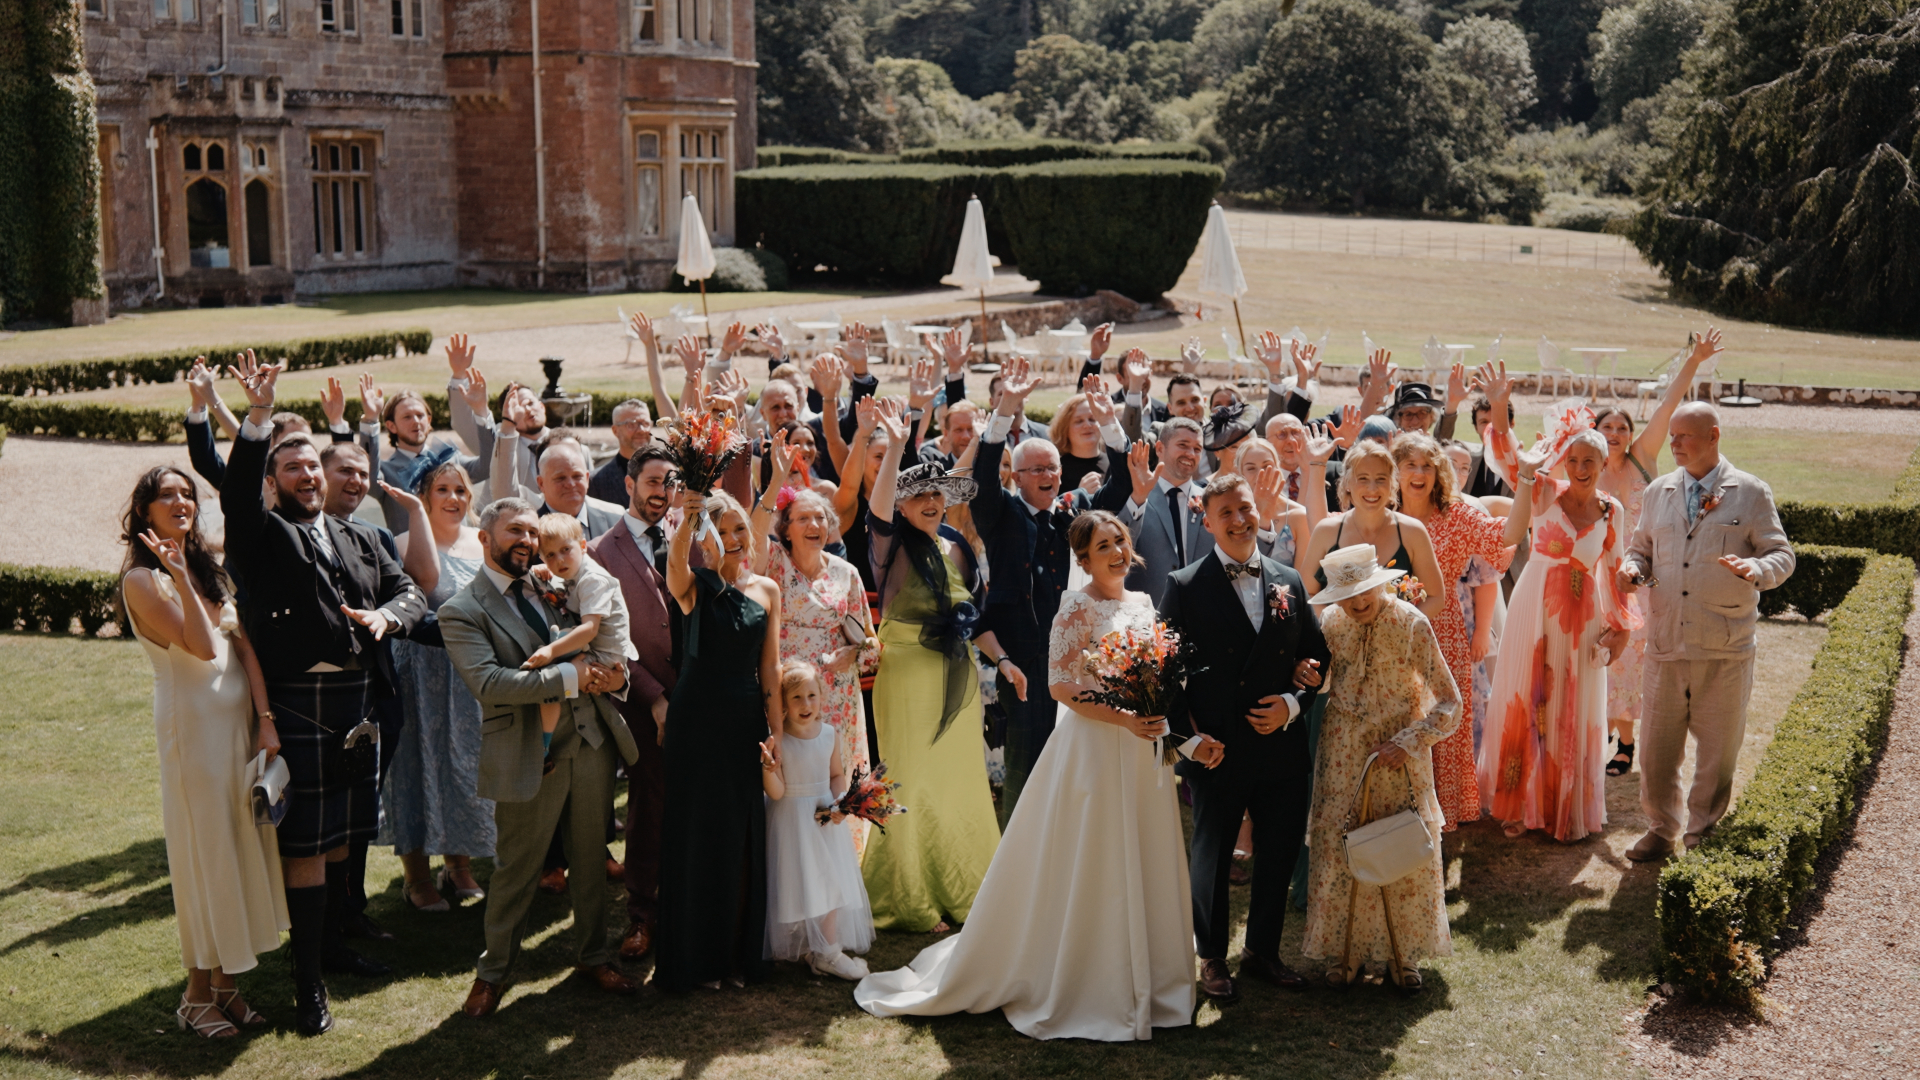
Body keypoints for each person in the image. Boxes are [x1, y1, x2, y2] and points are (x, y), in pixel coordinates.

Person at [857, 512, 1198, 1041]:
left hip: (1141, 750)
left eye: (1120, 542)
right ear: (1082, 559)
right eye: (1102, 546)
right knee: (1096, 854)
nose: (1116, 552)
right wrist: (1124, 719)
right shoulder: (1076, 606)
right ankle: (1091, 975)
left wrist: (1156, 719)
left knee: (1145, 851)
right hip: (1095, 749)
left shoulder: (1145, 604)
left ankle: (1152, 978)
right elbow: (1061, 686)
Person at [217, 354, 428, 1036]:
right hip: (299, 702)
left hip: (358, 704)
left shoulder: (361, 534)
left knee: (342, 841)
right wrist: (255, 421)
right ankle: (308, 988)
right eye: (293, 468)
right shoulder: (263, 536)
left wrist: (387, 618)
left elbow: (411, 592)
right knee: (305, 847)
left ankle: (333, 946)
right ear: (274, 484)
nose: (308, 475)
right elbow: (236, 498)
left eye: (315, 466)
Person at [437, 498, 638, 1016]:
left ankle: (594, 957)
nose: (527, 539)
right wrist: (571, 677)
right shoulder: (462, 609)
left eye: (532, 530)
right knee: (517, 869)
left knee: (591, 859)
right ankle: (493, 974)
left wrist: (618, 677)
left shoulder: (559, 582)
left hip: (591, 740)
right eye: (515, 531)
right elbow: (490, 683)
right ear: (485, 537)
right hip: (531, 751)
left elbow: (604, 639)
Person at [120, 467, 287, 1038]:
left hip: (239, 727)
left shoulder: (208, 566)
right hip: (191, 733)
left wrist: (264, 720)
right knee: (204, 854)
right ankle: (194, 995)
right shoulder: (144, 581)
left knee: (237, 849)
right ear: (145, 511)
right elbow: (197, 644)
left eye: (187, 493)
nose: (180, 501)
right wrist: (178, 577)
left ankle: (226, 986)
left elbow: (242, 650)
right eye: (165, 495)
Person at [1159, 474, 1330, 1003]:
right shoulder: (1184, 585)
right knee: (1211, 857)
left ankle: (1262, 951)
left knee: (1277, 853)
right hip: (1219, 751)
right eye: (1226, 513)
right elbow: (1163, 673)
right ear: (1206, 521)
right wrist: (1188, 741)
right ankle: (1211, 955)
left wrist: (1294, 703)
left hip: (1279, 746)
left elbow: (1318, 656)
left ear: (1260, 511)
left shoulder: (1288, 580)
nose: (1239, 520)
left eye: (1246, 509)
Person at [1619, 399, 1795, 861]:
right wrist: (1632, 568)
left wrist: (1756, 567)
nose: (1673, 443)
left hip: (1725, 646)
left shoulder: (1752, 492)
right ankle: (1661, 829)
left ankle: (1702, 834)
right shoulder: (1658, 491)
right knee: (1656, 753)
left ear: (1714, 436)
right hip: (1665, 643)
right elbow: (1640, 550)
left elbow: (1783, 555)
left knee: (1717, 754)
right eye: (1671, 436)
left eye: (1683, 436)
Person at [1474, 366, 1638, 843]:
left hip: (1584, 619)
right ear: (1564, 461)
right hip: (1533, 607)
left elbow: (1615, 570)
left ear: (1604, 463)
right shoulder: (1544, 493)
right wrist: (1500, 406)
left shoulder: (1613, 511)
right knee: (1528, 697)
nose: (1582, 468)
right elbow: (1509, 456)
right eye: (1575, 459)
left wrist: (1621, 625)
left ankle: (1565, 803)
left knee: (1573, 704)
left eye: (1591, 460)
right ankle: (1517, 801)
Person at [969, 358, 1131, 822]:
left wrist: (1109, 423)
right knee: (1024, 762)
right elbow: (981, 475)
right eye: (1036, 469)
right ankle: (1021, 853)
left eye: (1053, 468)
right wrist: (1006, 410)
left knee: (1070, 761)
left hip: (1070, 658)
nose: (1047, 475)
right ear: (1017, 478)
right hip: (1018, 659)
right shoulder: (999, 513)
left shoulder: (1074, 513)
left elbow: (1118, 489)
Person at [860, 402, 1000, 932]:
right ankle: (909, 896)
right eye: (919, 495)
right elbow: (876, 508)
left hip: (958, 674)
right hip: (908, 675)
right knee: (911, 780)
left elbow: (976, 614)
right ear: (903, 503)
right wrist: (896, 446)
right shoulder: (889, 544)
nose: (932, 502)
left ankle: (969, 888)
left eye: (938, 494)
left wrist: (1003, 660)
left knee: (961, 781)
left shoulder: (958, 545)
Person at [1300, 544, 1462, 992]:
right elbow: (1330, 680)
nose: (1357, 602)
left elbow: (1451, 702)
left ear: (1378, 584)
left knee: (1401, 844)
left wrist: (1409, 741)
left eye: (1364, 591)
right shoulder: (1331, 623)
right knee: (1342, 845)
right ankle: (1345, 950)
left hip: (1397, 754)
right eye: (1347, 595)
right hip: (1342, 751)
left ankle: (1402, 953)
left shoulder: (1413, 623)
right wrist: (1312, 678)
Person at [655, 488, 783, 990]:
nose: (731, 538)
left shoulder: (767, 590)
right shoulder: (694, 584)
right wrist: (688, 518)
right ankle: (695, 961)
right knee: (696, 834)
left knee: (740, 834)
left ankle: (734, 957)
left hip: (745, 721)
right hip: (695, 722)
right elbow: (674, 569)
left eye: (737, 529)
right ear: (705, 537)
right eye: (719, 529)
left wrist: (774, 733)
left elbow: (770, 668)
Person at [1593, 330, 1721, 776]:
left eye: (1622, 427)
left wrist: (1696, 360)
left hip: (1642, 573)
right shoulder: (1582, 469)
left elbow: (1668, 404)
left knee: (1632, 660)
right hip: (1596, 578)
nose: (1615, 433)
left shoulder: (1642, 458)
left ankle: (1626, 743)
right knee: (1600, 655)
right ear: (1593, 434)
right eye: (1606, 427)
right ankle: (1606, 731)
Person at [377, 455, 496, 913]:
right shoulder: (401, 541)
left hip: (470, 676)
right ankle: (416, 874)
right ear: (424, 496)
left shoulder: (481, 542)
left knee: (463, 766)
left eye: (461, 490)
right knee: (417, 765)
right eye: (443, 490)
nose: (453, 498)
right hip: (419, 672)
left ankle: (459, 864)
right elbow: (416, 601)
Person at [747, 440, 877, 849]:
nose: (814, 524)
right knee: (789, 779)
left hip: (837, 696)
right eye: (803, 517)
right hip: (784, 690)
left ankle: (844, 863)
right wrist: (772, 482)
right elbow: (752, 530)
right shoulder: (773, 563)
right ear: (786, 529)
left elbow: (873, 644)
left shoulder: (847, 573)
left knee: (837, 779)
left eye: (821, 517)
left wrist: (853, 653)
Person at [585, 441, 684, 962]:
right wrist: (655, 697)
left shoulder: (691, 534)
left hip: (699, 695)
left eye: (671, 483)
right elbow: (609, 641)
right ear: (629, 484)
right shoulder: (602, 551)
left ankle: (692, 908)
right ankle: (643, 915)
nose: (661, 493)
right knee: (650, 804)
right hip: (641, 701)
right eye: (652, 482)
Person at [1390, 433, 1513, 830]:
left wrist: (1526, 480)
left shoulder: (1455, 517)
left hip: (1444, 630)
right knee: (1396, 720)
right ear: (1395, 470)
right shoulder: (1381, 514)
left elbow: (1503, 539)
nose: (1419, 472)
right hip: (1388, 636)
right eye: (1410, 464)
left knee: (1440, 723)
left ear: (1440, 473)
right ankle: (1396, 815)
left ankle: (1439, 815)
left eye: (1428, 465)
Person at [762, 662, 874, 980]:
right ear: (783, 703)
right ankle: (808, 947)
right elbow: (778, 791)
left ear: (822, 698)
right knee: (799, 882)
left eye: (812, 695)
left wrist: (841, 801)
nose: (806, 704)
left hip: (824, 818)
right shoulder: (779, 741)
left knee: (832, 882)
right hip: (790, 820)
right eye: (796, 698)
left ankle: (827, 950)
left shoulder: (829, 735)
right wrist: (769, 772)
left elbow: (836, 775)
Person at [524, 514, 639, 771]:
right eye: (550, 555)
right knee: (552, 682)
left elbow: (589, 629)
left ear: (583, 546)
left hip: (605, 658)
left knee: (552, 681)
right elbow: (559, 581)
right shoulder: (572, 572)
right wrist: (538, 571)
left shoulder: (593, 579)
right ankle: (544, 746)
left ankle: (542, 749)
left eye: (566, 550)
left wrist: (551, 650)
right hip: (590, 649)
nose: (559, 560)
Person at [362, 334, 497, 534]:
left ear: (429, 421)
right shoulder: (387, 473)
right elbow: (370, 480)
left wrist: (480, 411)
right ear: (391, 426)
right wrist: (371, 419)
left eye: (420, 415)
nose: (416, 421)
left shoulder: (451, 460)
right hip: (411, 560)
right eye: (407, 417)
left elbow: (489, 466)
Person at [1118, 416, 1212, 606]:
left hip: (1202, 614)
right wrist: (1138, 498)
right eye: (1183, 445)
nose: (1190, 454)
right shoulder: (1135, 495)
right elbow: (1120, 548)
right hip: (1148, 615)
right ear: (1160, 449)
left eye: (1197, 449)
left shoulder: (1211, 500)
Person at [588, 398, 653, 505]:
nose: (641, 430)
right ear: (615, 431)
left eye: (646, 423)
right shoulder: (596, 482)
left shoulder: (666, 473)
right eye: (632, 424)